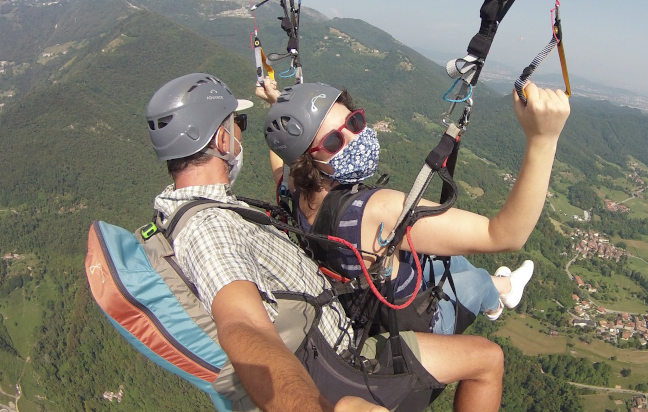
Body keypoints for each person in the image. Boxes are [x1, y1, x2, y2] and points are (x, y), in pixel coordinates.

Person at [145, 73, 504, 412]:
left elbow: (286, 171)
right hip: (349, 361)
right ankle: (498, 290)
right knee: (488, 354)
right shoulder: (208, 229)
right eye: (238, 123)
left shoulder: (214, 208)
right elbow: (243, 326)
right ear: (223, 140)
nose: (240, 132)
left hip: (336, 324)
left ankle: (499, 288)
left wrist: (284, 110)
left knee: (449, 266)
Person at [261, 79, 569, 335]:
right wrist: (543, 139)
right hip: (416, 322)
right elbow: (504, 235)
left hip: (368, 293)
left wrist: (279, 106)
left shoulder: (297, 189)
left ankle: (502, 286)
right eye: (333, 142)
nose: (354, 138)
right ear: (309, 159)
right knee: (475, 281)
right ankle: (500, 297)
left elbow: (284, 158)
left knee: (452, 260)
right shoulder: (379, 210)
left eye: (354, 122)